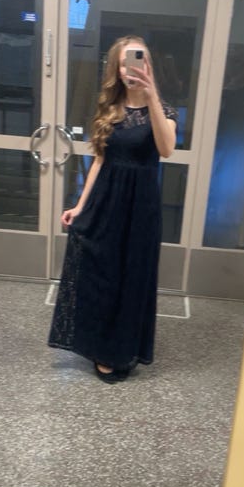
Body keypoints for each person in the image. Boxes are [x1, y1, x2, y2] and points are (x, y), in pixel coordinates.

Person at [48, 35, 177, 383]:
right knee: (100, 273)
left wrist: (151, 96)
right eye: (124, 63)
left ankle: (122, 350)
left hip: (141, 206)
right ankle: (99, 346)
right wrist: (80, 205)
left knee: (132, 276)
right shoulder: (109, 109)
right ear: (117, 69)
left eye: (138, 60)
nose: (131, 68)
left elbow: (166, 149)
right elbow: (99, 161)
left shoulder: (164, 111)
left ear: (148, 65)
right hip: (106, 201)